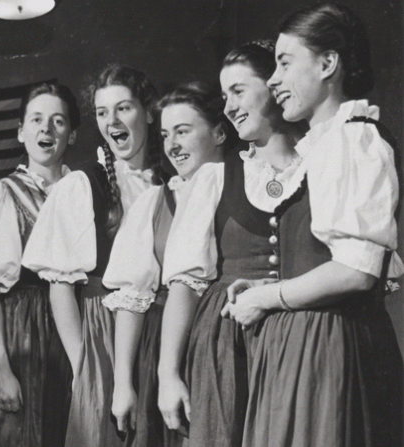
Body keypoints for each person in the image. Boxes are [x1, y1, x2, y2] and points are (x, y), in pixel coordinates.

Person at [221, 4, 404, 447]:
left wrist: (268, 296)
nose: (274, 80)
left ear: (328, 64)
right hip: (300, 346)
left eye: (285, 63)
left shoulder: (352, 138)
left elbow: (356, 271)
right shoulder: (323, 145)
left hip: (332, 348)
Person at [156, 49, 303, 447]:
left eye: (238, 91)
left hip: (301, 336)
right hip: (229, 343)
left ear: (275, 86)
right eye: (225, 96)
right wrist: (167, 375)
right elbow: (184, 286)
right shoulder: (216, 178)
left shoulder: (317, 165)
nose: (230, 107)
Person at [22, 65, 165, 446]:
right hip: (105, 333)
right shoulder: (84, 184)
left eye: (124, 109)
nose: (112, 121)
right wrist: (85, 365)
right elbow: (59, 287)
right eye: (102, 112)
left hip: (164, 331)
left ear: (148, 112)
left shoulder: (171, 178)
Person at [103, 81, 226, 447]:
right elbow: (131, 297)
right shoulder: (154, 202)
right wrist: (123, 384)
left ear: (219, 132)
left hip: (225, 341)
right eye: (166, 134)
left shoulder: (240, 186)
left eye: (183, 132)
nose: (172, 145)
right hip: (162, 351)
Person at [0, 82, 78, 447]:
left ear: (71, 135)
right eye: (37, 120)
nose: (46, 129)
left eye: (58, 121)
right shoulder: (2, 194)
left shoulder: (82, 191)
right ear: (21, 132)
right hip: (23, 335)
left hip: (77, 330)